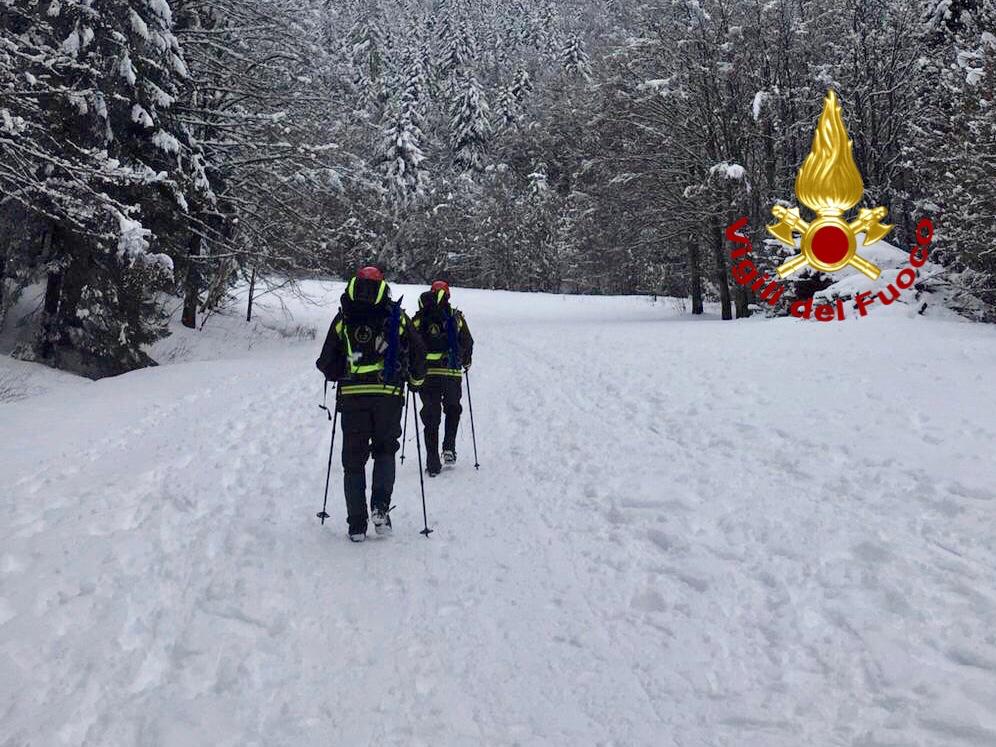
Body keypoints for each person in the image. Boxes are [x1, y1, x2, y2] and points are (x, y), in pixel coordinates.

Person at [315, 267, 426, 542]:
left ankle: (356, 525)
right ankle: (380, 508)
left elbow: (326, 361)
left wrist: (341, 371)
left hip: (352, 396)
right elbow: (418, 349)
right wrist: (416, 380)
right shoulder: (395, 316)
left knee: (353, 461)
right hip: (388, 394)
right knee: (385, 451)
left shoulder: (344, 317)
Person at [412, 281, 474, 476]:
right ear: (448, 295)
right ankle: (449, 447)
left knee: (431, 415)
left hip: (427, 374)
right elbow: (467, 341)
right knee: (453, 409)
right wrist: (466, 361)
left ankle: (432, 461)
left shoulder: (419, 318)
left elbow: (410, 342)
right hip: (451, 373)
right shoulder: (456, 317)